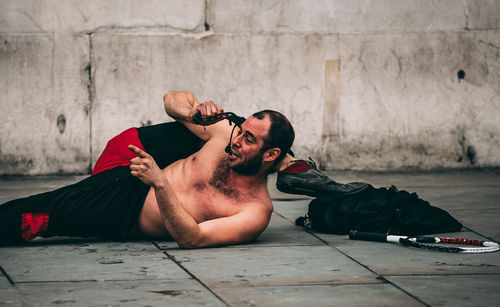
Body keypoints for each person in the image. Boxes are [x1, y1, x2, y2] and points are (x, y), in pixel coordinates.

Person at [0, 91, 296, 248]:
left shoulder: (255, 211)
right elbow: (171, 98)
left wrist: (160, 183)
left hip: (124, 215)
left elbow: (192, 238)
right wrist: (192, 112)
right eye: (241, 131)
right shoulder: (226, 134)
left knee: (44, 216)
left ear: (271, 154)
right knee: (43, 207)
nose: (237, 141)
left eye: (249, 139)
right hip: (129, 178)